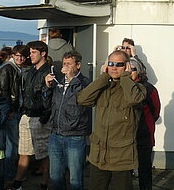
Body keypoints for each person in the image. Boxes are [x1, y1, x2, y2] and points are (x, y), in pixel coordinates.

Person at [77, 50, 146, 190]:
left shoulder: (138, 89)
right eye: (111, 63)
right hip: (99, 155)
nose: (114, 67)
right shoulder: (103, 87)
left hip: (122, 156)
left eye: (119, 64)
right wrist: (103, 77)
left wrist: (126, 77)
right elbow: (83, 99)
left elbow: (134, 99)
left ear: (126, 66)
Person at [43, 51, 91, 190]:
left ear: (78, 65)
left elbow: (82, 101)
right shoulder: (59, 81)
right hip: (55, 134)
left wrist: (72, 79)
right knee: (56, 177)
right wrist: (47, 87)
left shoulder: (85, 82)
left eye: (69, 64)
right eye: (64, 64)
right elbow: (47, 104)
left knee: (75, 178)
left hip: (75, 136)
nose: (65, 67)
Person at [7, 41, 51, 190]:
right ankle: (17, 183)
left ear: (43, 53)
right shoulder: (31, 71)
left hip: (40, 117)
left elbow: (50, 99)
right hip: (26, 115)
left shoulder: (48, 72)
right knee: (24, 151)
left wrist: (44, 117)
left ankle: (44, 184)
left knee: (44, 154)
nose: (29, 55)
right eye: (30, 52)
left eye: (33, 52)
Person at [0, 45, 30, 181]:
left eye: (22, 56)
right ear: (12, 55)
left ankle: (12, 172)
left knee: (14, 143)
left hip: (18, 109)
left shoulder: (18, 68)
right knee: (12, 143)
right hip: (12, 111)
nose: (20, 58)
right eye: (17, 55)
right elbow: (3, 91)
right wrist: (8, 109)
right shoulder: (7, 69)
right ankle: (10, 173)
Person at [130, 58, 161, 190]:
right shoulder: (119, 86)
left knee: (144, 169)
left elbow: (155, 110)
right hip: (125, 135)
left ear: (139, 71)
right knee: (124, 171)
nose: (130, 72)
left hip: (144, 134)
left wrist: (146, 123)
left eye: (133, 69)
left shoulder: (149, 88)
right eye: (127, 69)